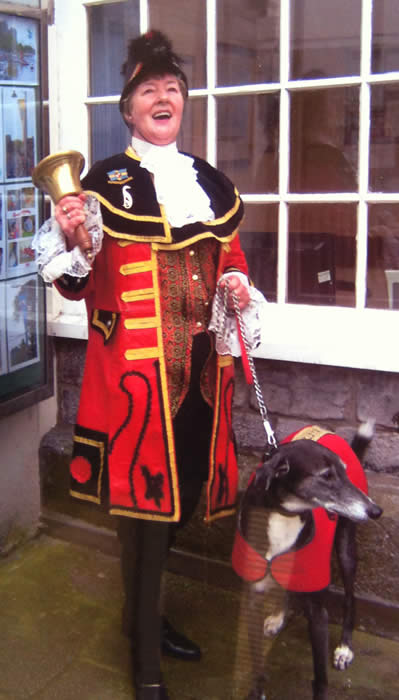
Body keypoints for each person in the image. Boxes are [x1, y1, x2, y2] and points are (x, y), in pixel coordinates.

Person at [33, 30, 263, 700]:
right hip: (136, 388)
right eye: (147, 90)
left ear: (181, 106)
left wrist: (239, 289)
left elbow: (234, 260)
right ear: (128, 111)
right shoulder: (99, 184)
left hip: (199, 387)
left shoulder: (210, 185)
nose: (162, 98)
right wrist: (76, 240)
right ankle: (145, 666)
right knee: (142, 516)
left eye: (172, 90)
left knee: (180, 501)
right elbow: (71, 282)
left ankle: (143, 621)